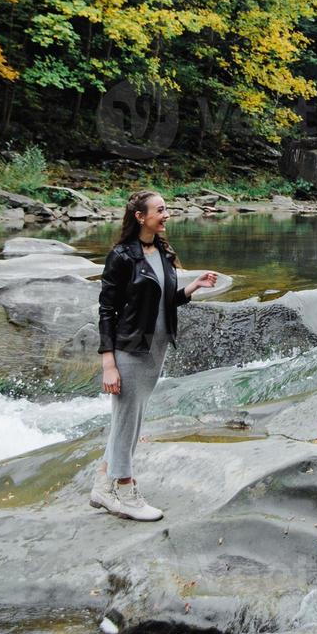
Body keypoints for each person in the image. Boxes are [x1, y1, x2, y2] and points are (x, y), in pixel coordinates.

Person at [90, 189, 218, 520]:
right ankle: (125, 491)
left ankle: (102, 486)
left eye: (166, 209)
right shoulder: (121, 256)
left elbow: (161, 301)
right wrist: (109, 363)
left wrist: (193, 288)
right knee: (129, 421)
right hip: (130, 349)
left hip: (155, 348)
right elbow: (106, 310)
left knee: (128, 419)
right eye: (160, 210)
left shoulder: (160, 251)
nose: (166, 215)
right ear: (140, 217)